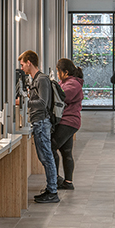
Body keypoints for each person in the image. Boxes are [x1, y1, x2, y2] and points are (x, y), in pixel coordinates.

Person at [18, 50, 60, 203]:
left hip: (42, 122)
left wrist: (24, 102)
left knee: (47, 157)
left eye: (22, 64)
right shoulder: (36, 79)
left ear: (29, 62)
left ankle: (52, 191)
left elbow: (43, 103)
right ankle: (51, 188)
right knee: (45, 157)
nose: (21, 68)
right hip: (38, 122)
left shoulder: (41, 80)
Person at [52, 58, 84, 190]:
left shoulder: (73, 83)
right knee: (66, 151)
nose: (57, 74)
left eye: (58, 71)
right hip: (68, 121)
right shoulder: (66, 82)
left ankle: (55, 179)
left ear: (65, 72)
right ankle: (68, 182)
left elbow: (63, 96)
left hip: (68, 121)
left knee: (51, 147)